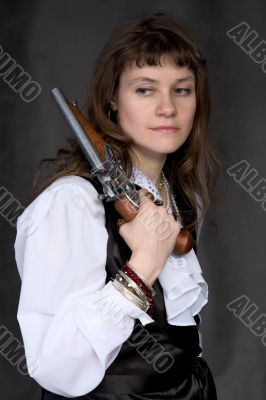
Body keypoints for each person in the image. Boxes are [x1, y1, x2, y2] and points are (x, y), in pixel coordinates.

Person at [14, 11, 219, 399]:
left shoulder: (181, 198)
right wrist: (141, 267)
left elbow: (181, 347)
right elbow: (55, 367)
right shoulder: (72, 203)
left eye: (182, 89)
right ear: (112, 98)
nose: (167, 108)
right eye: (145, 89)